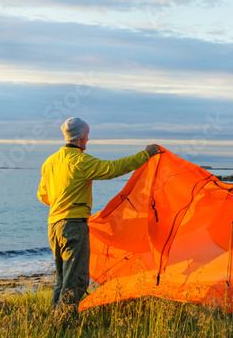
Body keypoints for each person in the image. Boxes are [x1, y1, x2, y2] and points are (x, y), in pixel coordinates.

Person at [37, 117, 160, 317]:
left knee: (62, 278)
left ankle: (55, 318)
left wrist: (64, 201)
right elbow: (113, 169)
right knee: (76, 279)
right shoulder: (80, 161)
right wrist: (145, 155)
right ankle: (64, 321)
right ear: (81, 137)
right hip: (73, 226)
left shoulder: (50, 162)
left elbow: (43, 195)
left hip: (54, 226)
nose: (88, 141)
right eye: (87, 137)